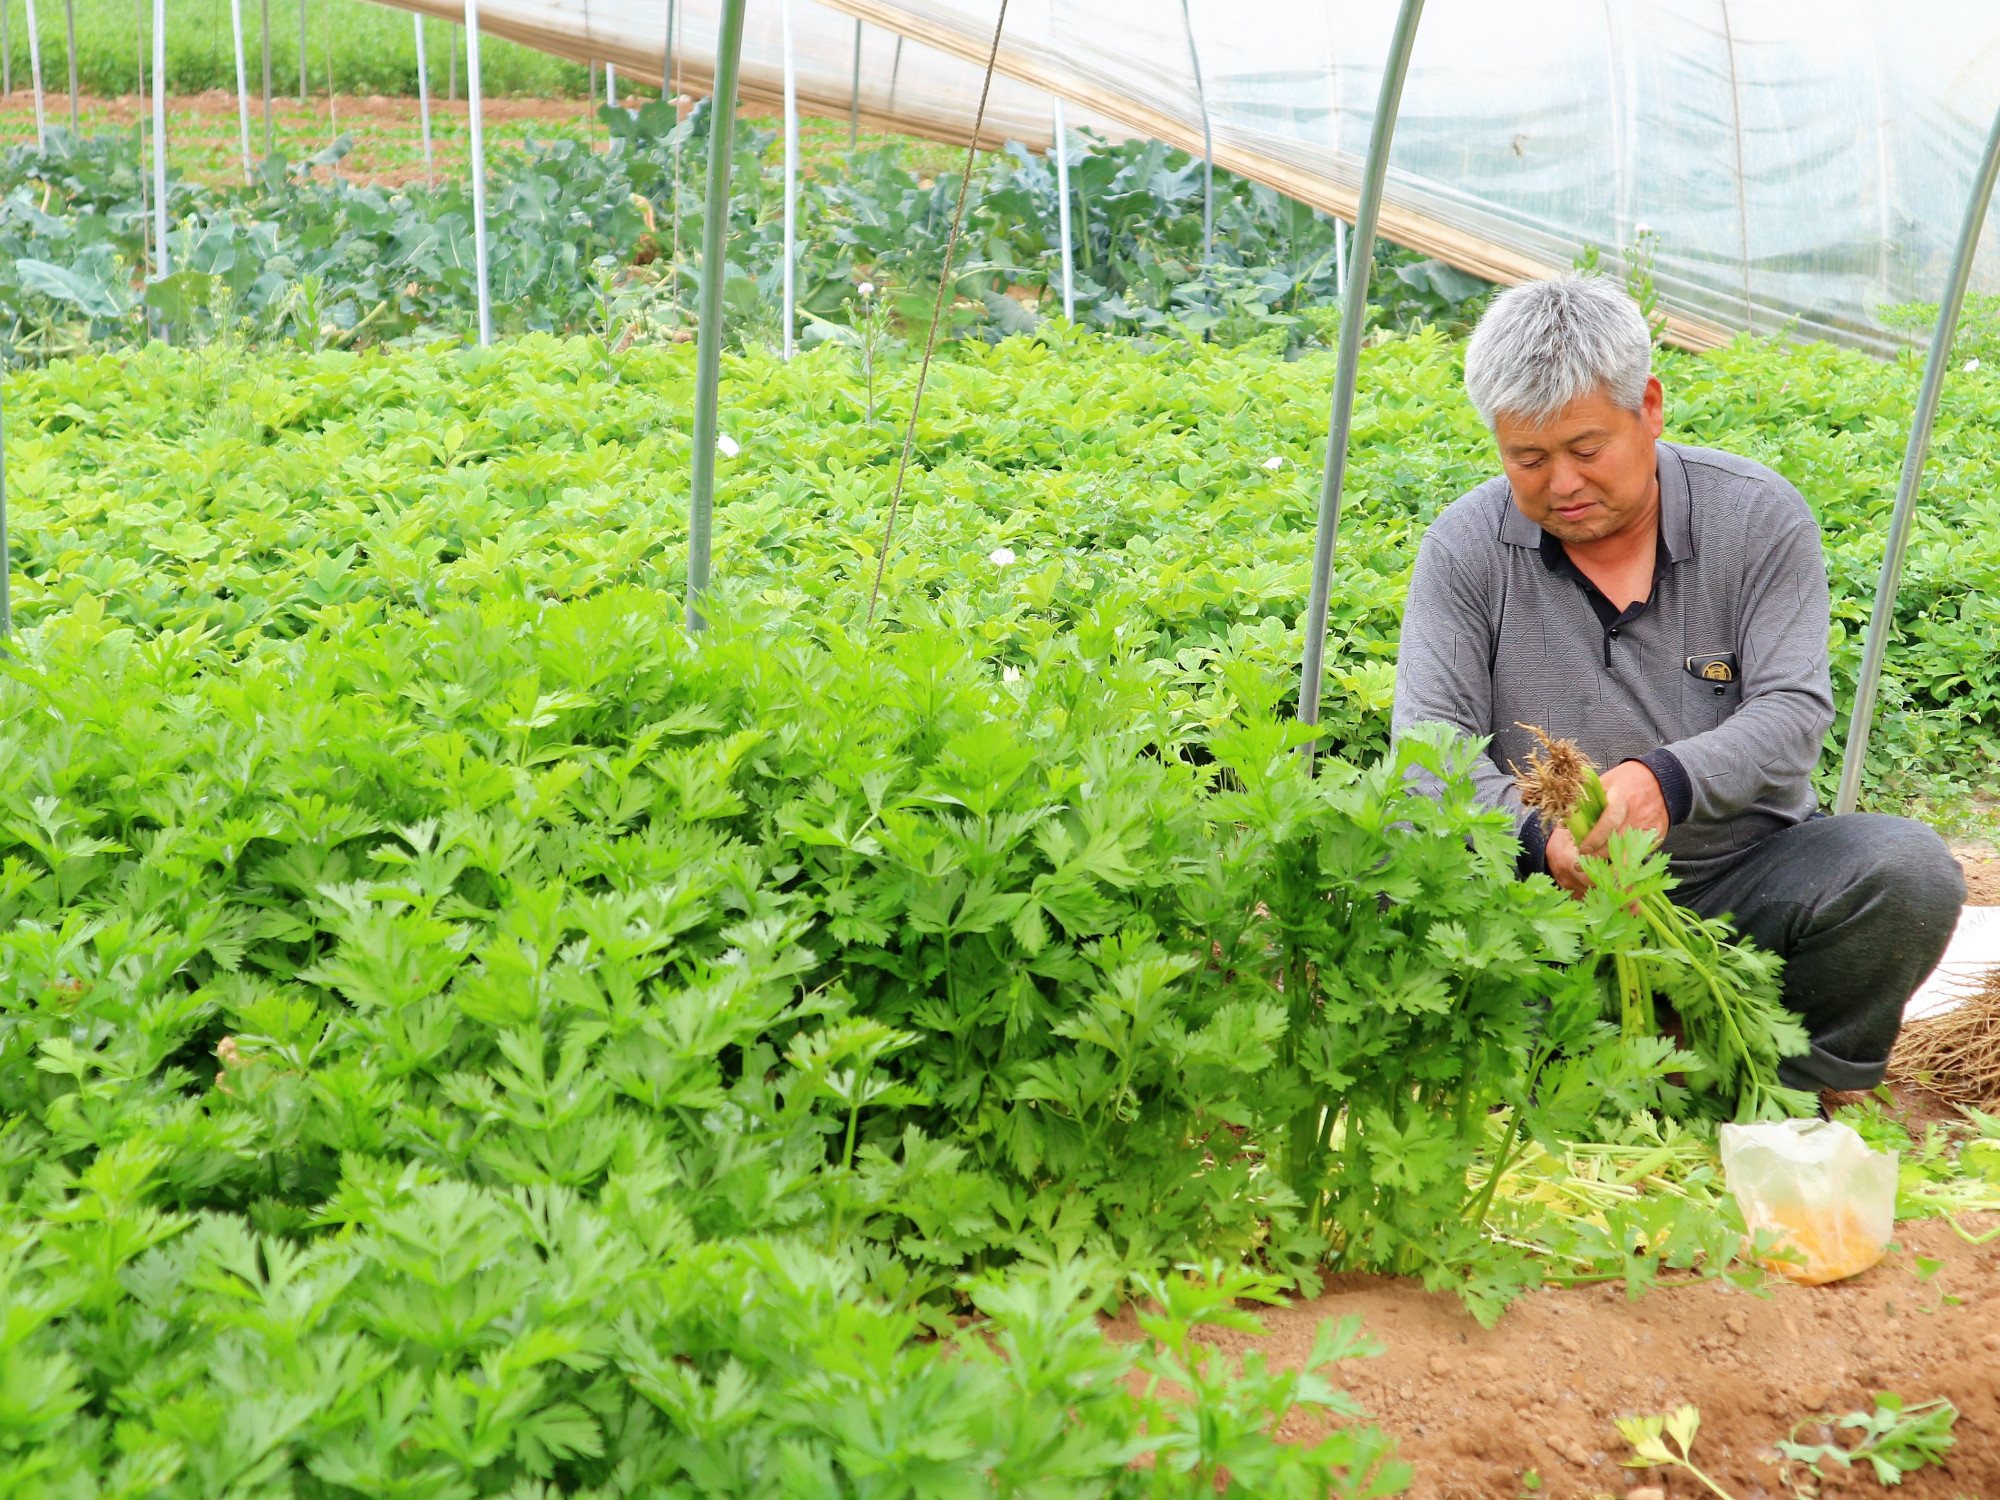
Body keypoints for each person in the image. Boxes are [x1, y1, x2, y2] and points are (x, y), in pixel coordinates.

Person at [1391, 273, 1963, 1099]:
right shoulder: (1466, 548)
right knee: (1373, 893)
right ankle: (1584, 1060)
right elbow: (1427, 747)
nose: (1561, 484)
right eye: (1528, 458)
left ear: (1649, 407)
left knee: (1904, 874)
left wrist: (1667, 782)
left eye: (1587, 450)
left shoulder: (1758, 518)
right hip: (1546, 908)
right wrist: (1541, 842)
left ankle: (1792, 1092)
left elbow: (1793, 713)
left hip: (1736, 885)